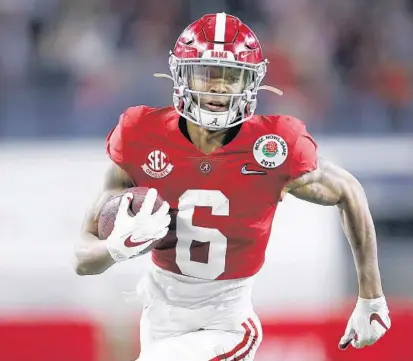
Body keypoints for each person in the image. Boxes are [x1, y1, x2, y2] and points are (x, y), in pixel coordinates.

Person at [74, 13, 390, 361]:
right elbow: (83, 259)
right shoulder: (139, 133)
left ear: (251, 83)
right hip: (159, 317)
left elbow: (348, 190)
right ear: (181, 74)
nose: (219, 86)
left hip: (226, 323)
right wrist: (116, 248)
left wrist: (371, 297)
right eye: (208, 73)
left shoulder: (274, 146)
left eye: (232, 76)